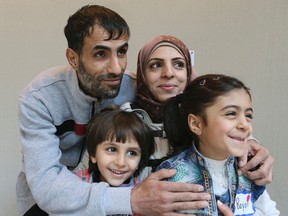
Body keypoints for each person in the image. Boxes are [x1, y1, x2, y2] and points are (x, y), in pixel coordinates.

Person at [16, 4, 274, 216]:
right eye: (100, 54)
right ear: (73, 58)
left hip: (123, 189)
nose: (116, 68)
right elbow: (47, 186)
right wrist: (133, 199)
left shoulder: (136, 87)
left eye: (122, 52)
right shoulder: (39, 98)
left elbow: (207, 99)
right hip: (55, 199)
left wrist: (250, 145)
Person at [156, 74, 280, 215]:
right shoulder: (171, 175)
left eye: (248, 116)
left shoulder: (250, 170)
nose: (245, 125)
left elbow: (271, 212)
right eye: (231, 113)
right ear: (196, 124)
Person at [74, 108, 155, 216]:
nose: (121, 162)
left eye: (132, 153)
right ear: (93, 154)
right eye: (112, 150)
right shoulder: (74, 184)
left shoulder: (142, 196)